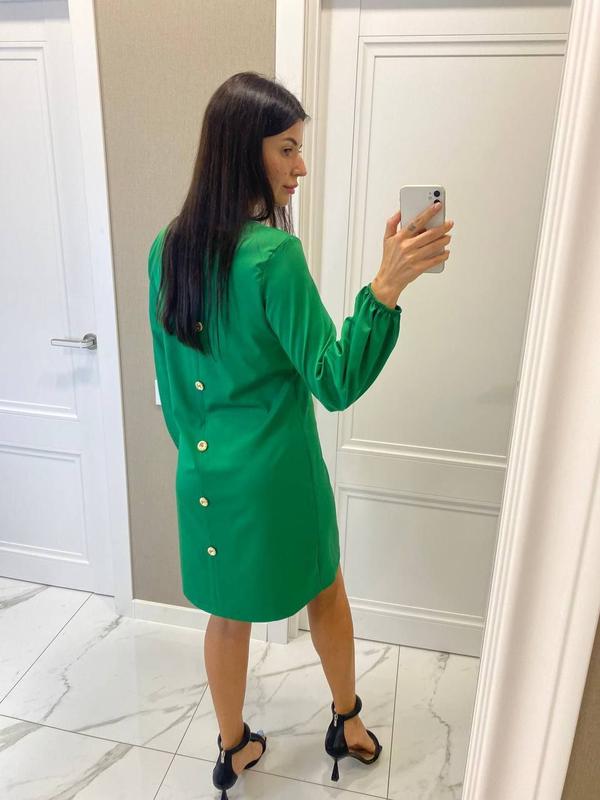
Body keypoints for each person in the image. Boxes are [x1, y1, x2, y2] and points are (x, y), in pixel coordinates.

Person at [147, 71, 453, 799]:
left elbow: (170, 384)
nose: (301, 166)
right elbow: (334, 380)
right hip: (279, 476)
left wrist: (204, 457)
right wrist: (384, 291)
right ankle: (347, 721)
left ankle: (232, 749)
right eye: (286, 149)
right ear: (242, 151)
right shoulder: (271, 257)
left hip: (204, 477)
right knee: (326, 590)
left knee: (226, 615)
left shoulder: (166, 247)